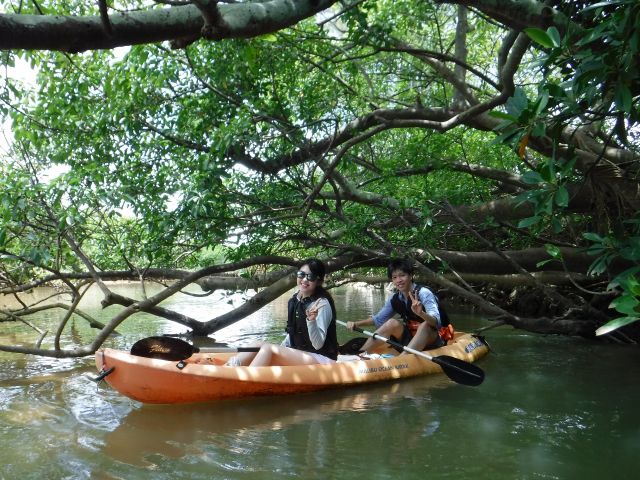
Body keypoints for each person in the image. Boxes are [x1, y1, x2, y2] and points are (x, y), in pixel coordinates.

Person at [226, 258, 338, 367]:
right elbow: (291, 334)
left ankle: (247, 380)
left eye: (311, 277)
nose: (304, 280)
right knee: (258, 344)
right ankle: (228, 368)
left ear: (319, 281)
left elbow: (318, 345)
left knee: (269, 349)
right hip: (301, 353)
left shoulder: (322, 304)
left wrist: (311, 321)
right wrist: (281, 349)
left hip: (322, 358)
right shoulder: (295, 300)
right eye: (301, 274)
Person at [346, 258, 445, 354]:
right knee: (391, 323)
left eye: (402, 275)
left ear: (411, 275)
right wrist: (356, 324)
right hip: (411, 337)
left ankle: (402, 359)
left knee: (425, 325)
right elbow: (378, 319)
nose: (399, 280)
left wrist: (421, 314)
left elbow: (436, 322)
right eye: (394, 277)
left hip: (432, 337)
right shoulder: (395, 298)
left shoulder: (424, 293)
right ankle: (361, 354)